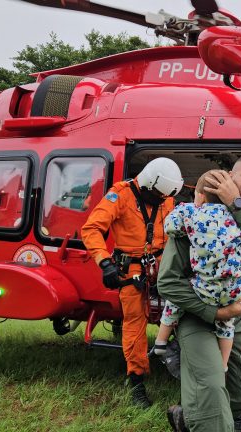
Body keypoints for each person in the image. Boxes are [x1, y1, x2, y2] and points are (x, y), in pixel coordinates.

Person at [158, 155, 241, 432]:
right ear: (229, 177)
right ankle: (207, 420)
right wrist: (215, 313)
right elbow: (167, 282)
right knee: (213, 392)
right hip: (196, 313)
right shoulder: (196, 214)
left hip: (235, 318)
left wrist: (237, 205)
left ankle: (186, 417)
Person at [80, 157, 183, 409]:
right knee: (134, 323)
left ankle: (182, 366)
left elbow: (172, 230)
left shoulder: (165, 195)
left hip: (162, 265)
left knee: (184, 312)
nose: (162, 201)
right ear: (147, 186)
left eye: (165, 198)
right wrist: (105, 262)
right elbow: (91, 229)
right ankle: (136, 381)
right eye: (158, 196)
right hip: (132, 270)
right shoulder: (120, 195)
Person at [152, 171, 241, 372]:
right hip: (235, 291)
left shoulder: (191, 212)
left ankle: (161, 343)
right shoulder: (237, 216)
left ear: (201, 196)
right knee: (228, 323)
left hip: (206, 289)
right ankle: (223, 364)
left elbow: (169, 227)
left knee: (175, 300)